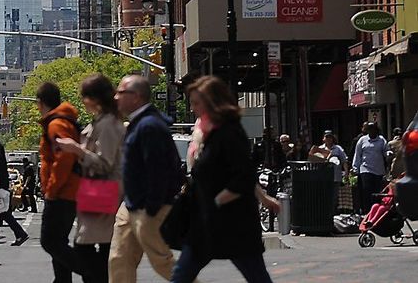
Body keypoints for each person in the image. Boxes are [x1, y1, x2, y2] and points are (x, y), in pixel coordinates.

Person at [170, 76, 274, 283]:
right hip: (206, 224)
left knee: (256, 275)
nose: (192, 108)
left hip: (233, 222)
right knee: (182, 275)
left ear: (212, 102)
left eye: (196, 103)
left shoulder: (229, 132)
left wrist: (217, 201)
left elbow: (243, 175)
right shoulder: (206, 133)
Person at [108, 75, 184, 283]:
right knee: (119, 260)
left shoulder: (150, 126)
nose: (116, 97)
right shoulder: (139, 123)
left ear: (136, 97)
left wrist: (152, 208)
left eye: (121, 93)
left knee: (162, 263)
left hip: (148, 208)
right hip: (131, 205)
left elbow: (160, 170)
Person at [54, 73, 125, 283]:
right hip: (96, 192)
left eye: (85, 96)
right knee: (99, 250)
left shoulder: (108, 124)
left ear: (94, 98)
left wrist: (76, 150)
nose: (83, 102)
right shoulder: (103, 121)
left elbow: (105, 163)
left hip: (104, 192)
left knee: (86, 248)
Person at [35, 81, 84, 283]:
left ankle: (93, 271)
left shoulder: (56, 124)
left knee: (50, 241)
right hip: (67, 191)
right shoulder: (60, 121)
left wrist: (52, 190)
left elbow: (63, 158)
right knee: (59, 242)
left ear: (40, 102)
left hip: (62, 193)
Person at [0, 129, 29, 246]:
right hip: (0, 182)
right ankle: (19, 233)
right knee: (1, 210)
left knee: (0, 210)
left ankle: (19, 233)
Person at [353, 121, 388, 213]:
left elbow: (385, 151)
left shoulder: (381, 140)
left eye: (373, 129)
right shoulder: (362, 140)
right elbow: (358, 154)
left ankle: (376, 211)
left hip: (378, 170)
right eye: (369, 129)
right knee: (367, 190)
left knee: (377, 192)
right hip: (366, 169)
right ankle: (367, 211)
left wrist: (388, 153)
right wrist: (355, 168)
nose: (371, 131)